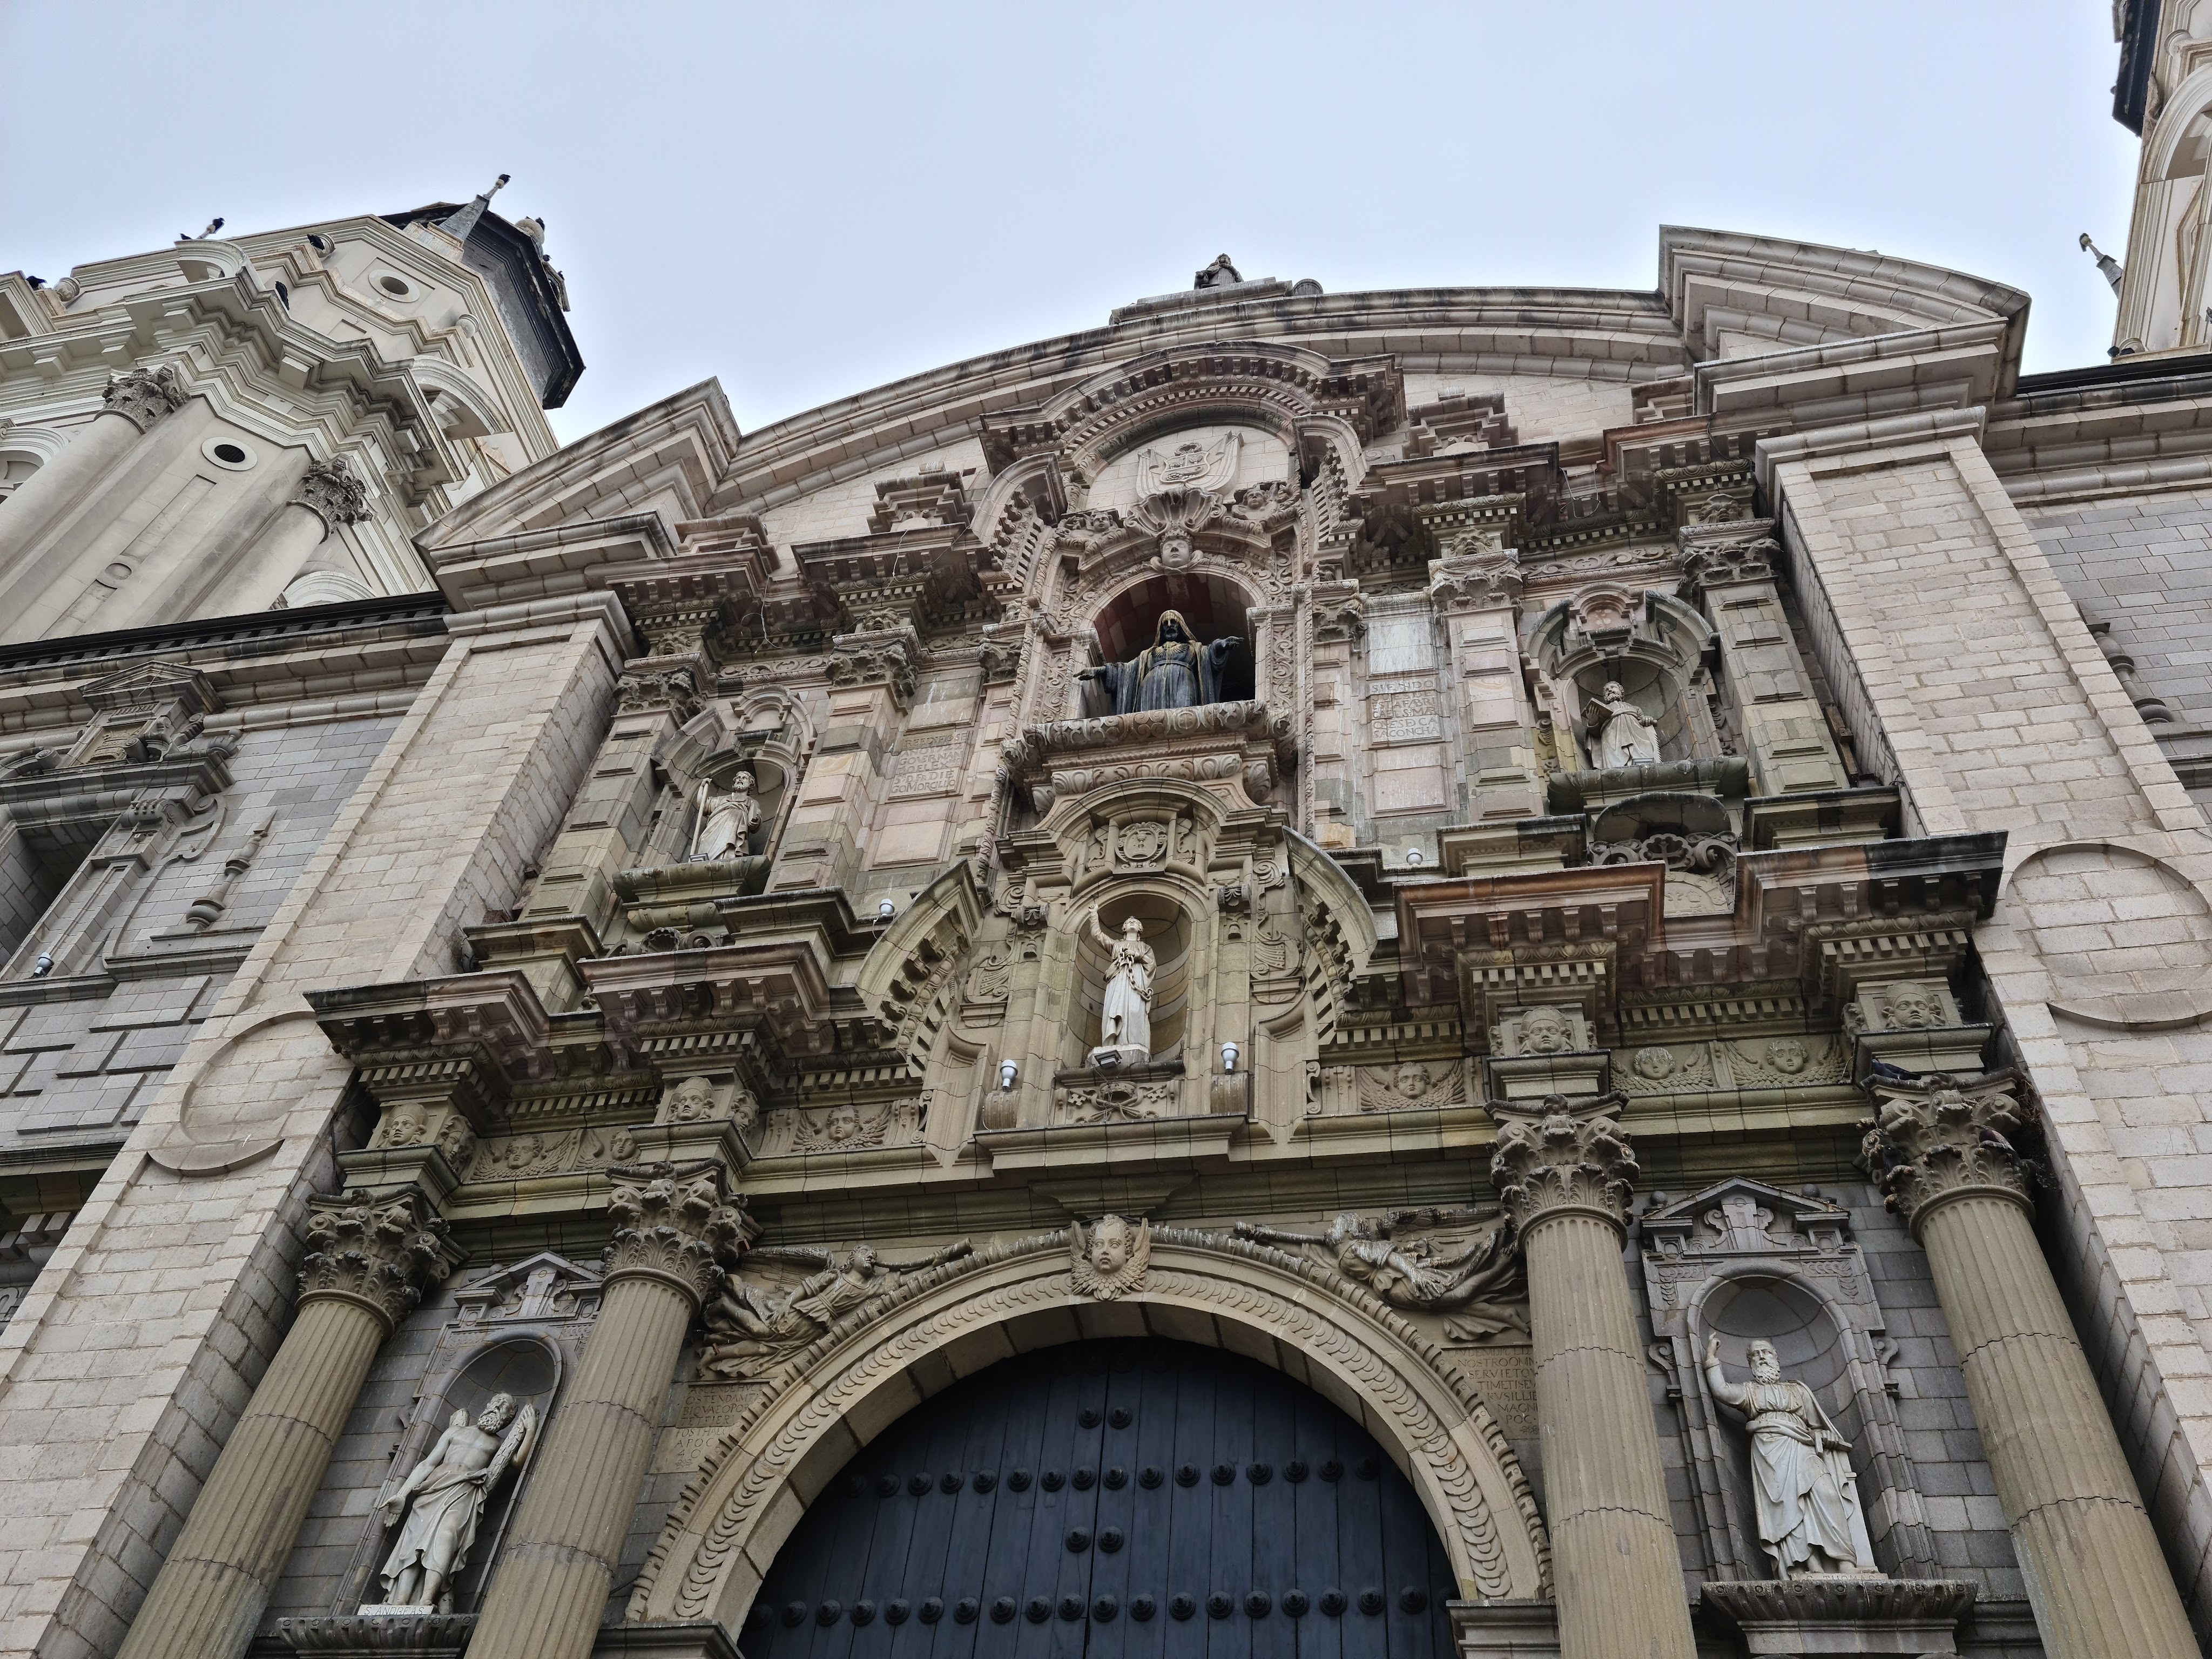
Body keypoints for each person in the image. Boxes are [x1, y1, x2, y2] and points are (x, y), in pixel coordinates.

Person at [1703, 1335, 1872, 1578]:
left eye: (1766, 1352)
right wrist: (1711, 1358)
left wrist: (1824, 1436)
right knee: (1787, 1507)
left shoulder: (1798, 1390)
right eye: (1756, 1354)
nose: (1762, 1357)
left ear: (1776, 1358)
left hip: (1803, 1447)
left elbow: (1817, 1426)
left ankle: (1844, 1561)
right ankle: (1808, 1565)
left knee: (1826, 1493)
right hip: (1770, 1453)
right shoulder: (1750, 1391)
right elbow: (1722, 1391)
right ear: (1750, 1363)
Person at [375, 1393, 536, 1610]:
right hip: (433, 1490)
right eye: (495, 1402)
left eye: (503, 1406)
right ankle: (401, 1600)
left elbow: (517, 1462)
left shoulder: (499, 1444)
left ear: (508, 1418)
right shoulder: (455, 1432)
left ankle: (427, 1599)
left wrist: (530, 1430)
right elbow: (427, 1464)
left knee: (447, 1536)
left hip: (465, 1493)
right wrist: (402, 1494)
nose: (496, 1407)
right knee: (414, 1541)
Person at [1078, 610, 1241, 712]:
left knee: (1185, 714)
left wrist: (1223, 644)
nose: (1169, 626)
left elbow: (1210, 653)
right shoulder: (1148, 654)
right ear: (1161, 629)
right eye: (1165, 624)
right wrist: (1099, 670)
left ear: (1181, 626)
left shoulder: (1194, 648)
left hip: (1183, 682)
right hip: (1151, 687)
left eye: (1173, 622)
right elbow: (1126, 670)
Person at [1088, 907, 1156, 1056]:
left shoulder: (1145, 948)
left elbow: (1151, 965)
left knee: (1134, 1011)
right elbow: (1097, 935)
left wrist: (1136, 955)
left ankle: (1134, 1043)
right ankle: (1114, 1043)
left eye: (1135, 922)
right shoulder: (1116, 945)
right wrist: (1094, 915)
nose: (1132, 921)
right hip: (1118, 980)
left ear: (1140, 929)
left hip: (1136, 981)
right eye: (1128, 922)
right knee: (1115, 1010)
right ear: (1124, 928)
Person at [1586, 679, 1661, 767]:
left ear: (1621, 692)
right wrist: (1593, 721)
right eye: (1607, 690)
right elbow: (1595, 734)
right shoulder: (1602, 709)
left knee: (1644, 761)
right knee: (1617, 763)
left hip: (1636, 736)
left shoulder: (1635, 708)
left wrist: (1647, 719)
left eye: (1613, 687)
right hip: (1613, 739)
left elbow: (1642, 721)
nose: (1609, 690)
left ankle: (1645, 767)